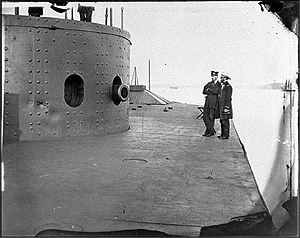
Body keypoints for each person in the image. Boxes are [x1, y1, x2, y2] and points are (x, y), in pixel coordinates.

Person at [202, 71, 221, 137]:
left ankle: (208, 131)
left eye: (214, 76)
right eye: (212, 76)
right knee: (205, 117)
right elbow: (204, 91)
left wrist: (209, 90)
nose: (213, 77)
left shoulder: (219, 84)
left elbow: (216, 91)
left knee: (211, 118)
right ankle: (211, 130)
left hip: (214, 103)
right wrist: (211, 92)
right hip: (207, 102)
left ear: (217, 77)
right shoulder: (209, 83)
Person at [218, 73, 233, 140]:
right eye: (221, 77)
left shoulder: (228, 87)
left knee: (225, 121)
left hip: (225, 107)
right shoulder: (222, 86)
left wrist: (226, 107)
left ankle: (226, 135)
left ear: (226, 79)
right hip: (221, 106)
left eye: (222, 78)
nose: (221, 79)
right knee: (222, 120)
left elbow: (228, 98)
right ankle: (222, 134)